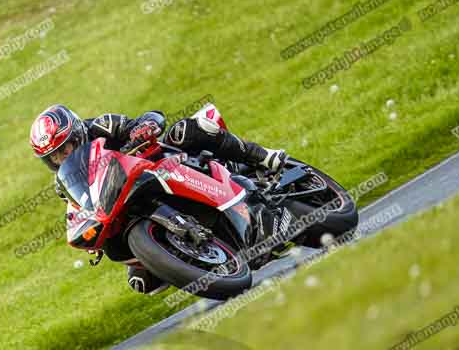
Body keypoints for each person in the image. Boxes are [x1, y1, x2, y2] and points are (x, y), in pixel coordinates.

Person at [29, 104, 287, 294]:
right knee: (141, 282)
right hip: (124, 205)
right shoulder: (64, 184)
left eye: (65, 148)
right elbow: (79, 207)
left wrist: (145, 127)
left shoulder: (101, 126)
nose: (62, 157)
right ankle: (203, 252)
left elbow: (151, 117)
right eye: (55, 157)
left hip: (159, 165)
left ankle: (262, 156)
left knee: (187, 130)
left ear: (76, 134)